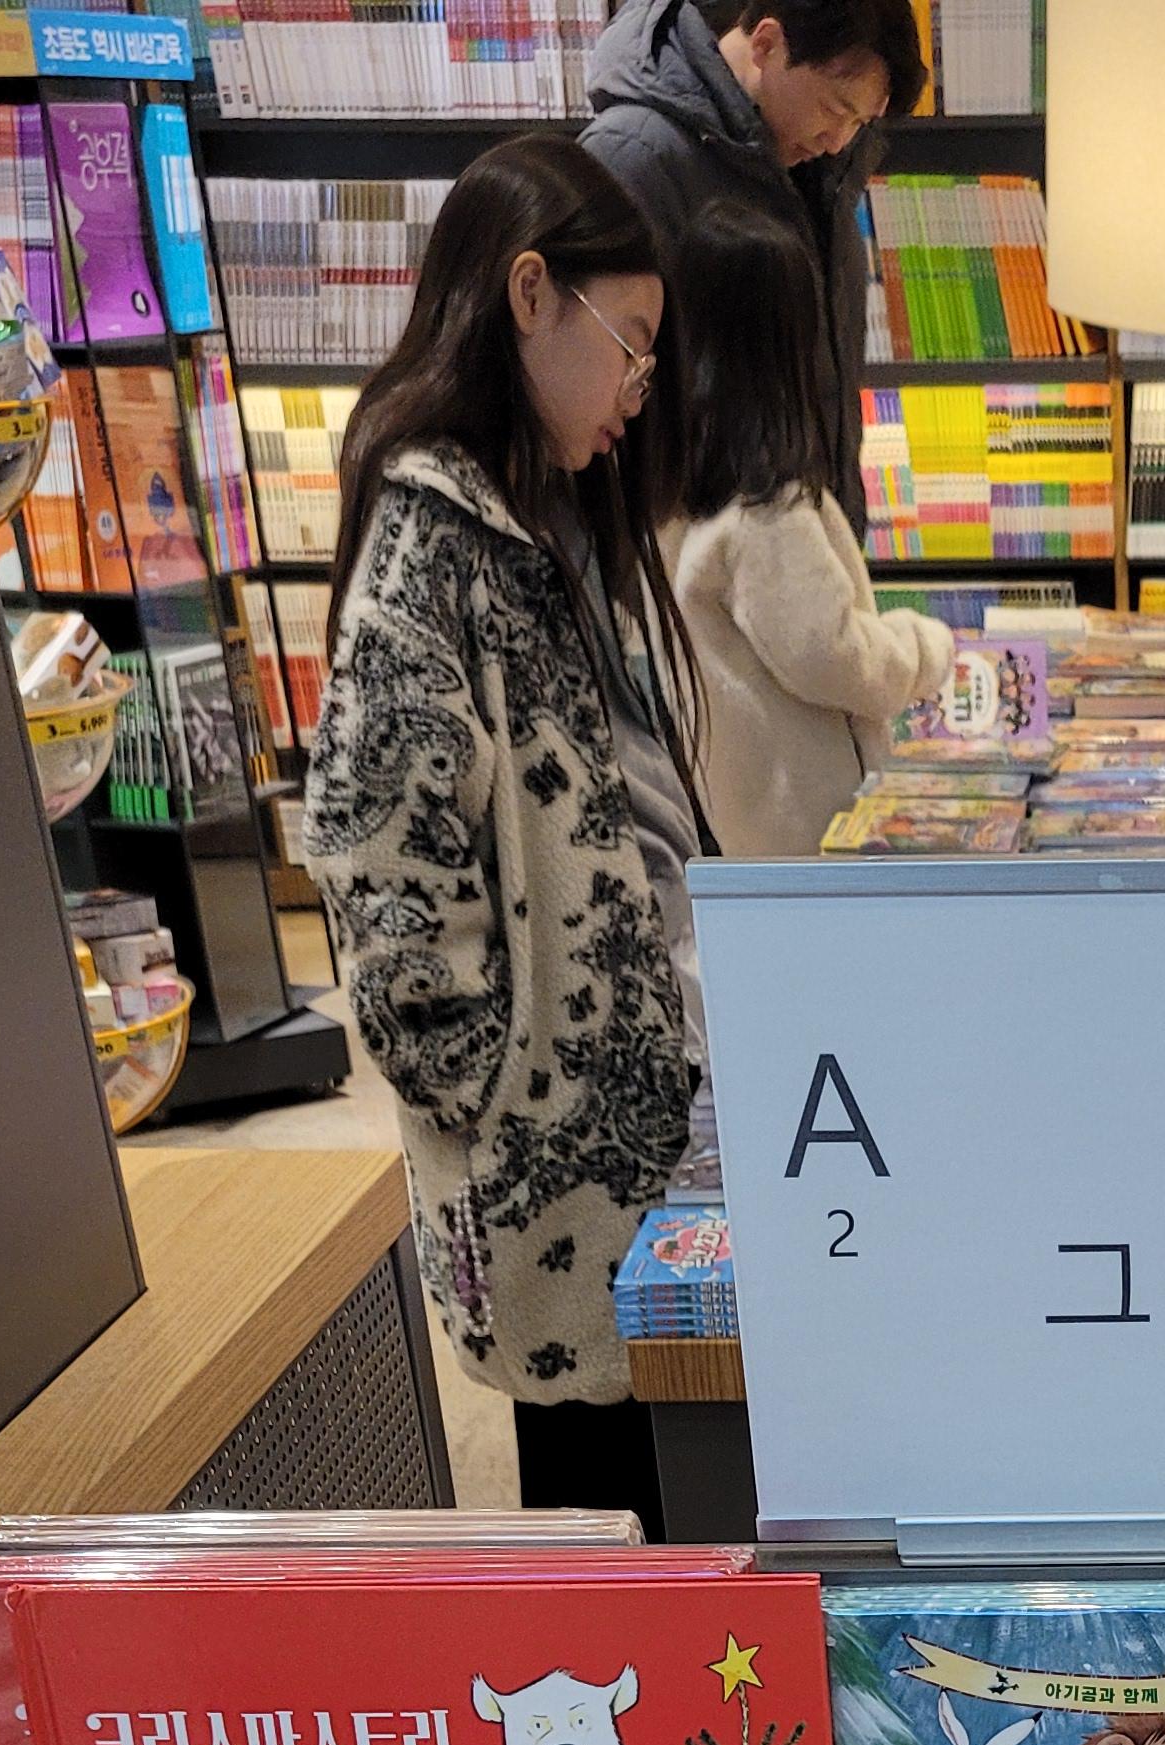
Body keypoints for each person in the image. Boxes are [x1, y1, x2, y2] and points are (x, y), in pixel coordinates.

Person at [303, 136, 702, 1525]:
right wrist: (502, 1095)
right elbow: (379, 860)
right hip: (553, 1177)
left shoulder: (536, 521)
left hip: (631, 1137)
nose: (638, 391)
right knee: (604, 1521)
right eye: (630, 345)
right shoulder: (434, 544)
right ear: (532, 294)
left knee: (654, 1503)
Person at [663, 192, 954, 853]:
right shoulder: (767, 507)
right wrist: (922, 649)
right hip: (817, 829)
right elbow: (830, 653)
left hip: (751, 821)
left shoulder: (684, 486)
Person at [583, 0, 925, 537]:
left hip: (797, 543)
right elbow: (595, 394)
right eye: (835, 109)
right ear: (766, 44)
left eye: (860, 122)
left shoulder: (822, 170)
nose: (839, 140)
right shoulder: (636, 158)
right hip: (698, 553)